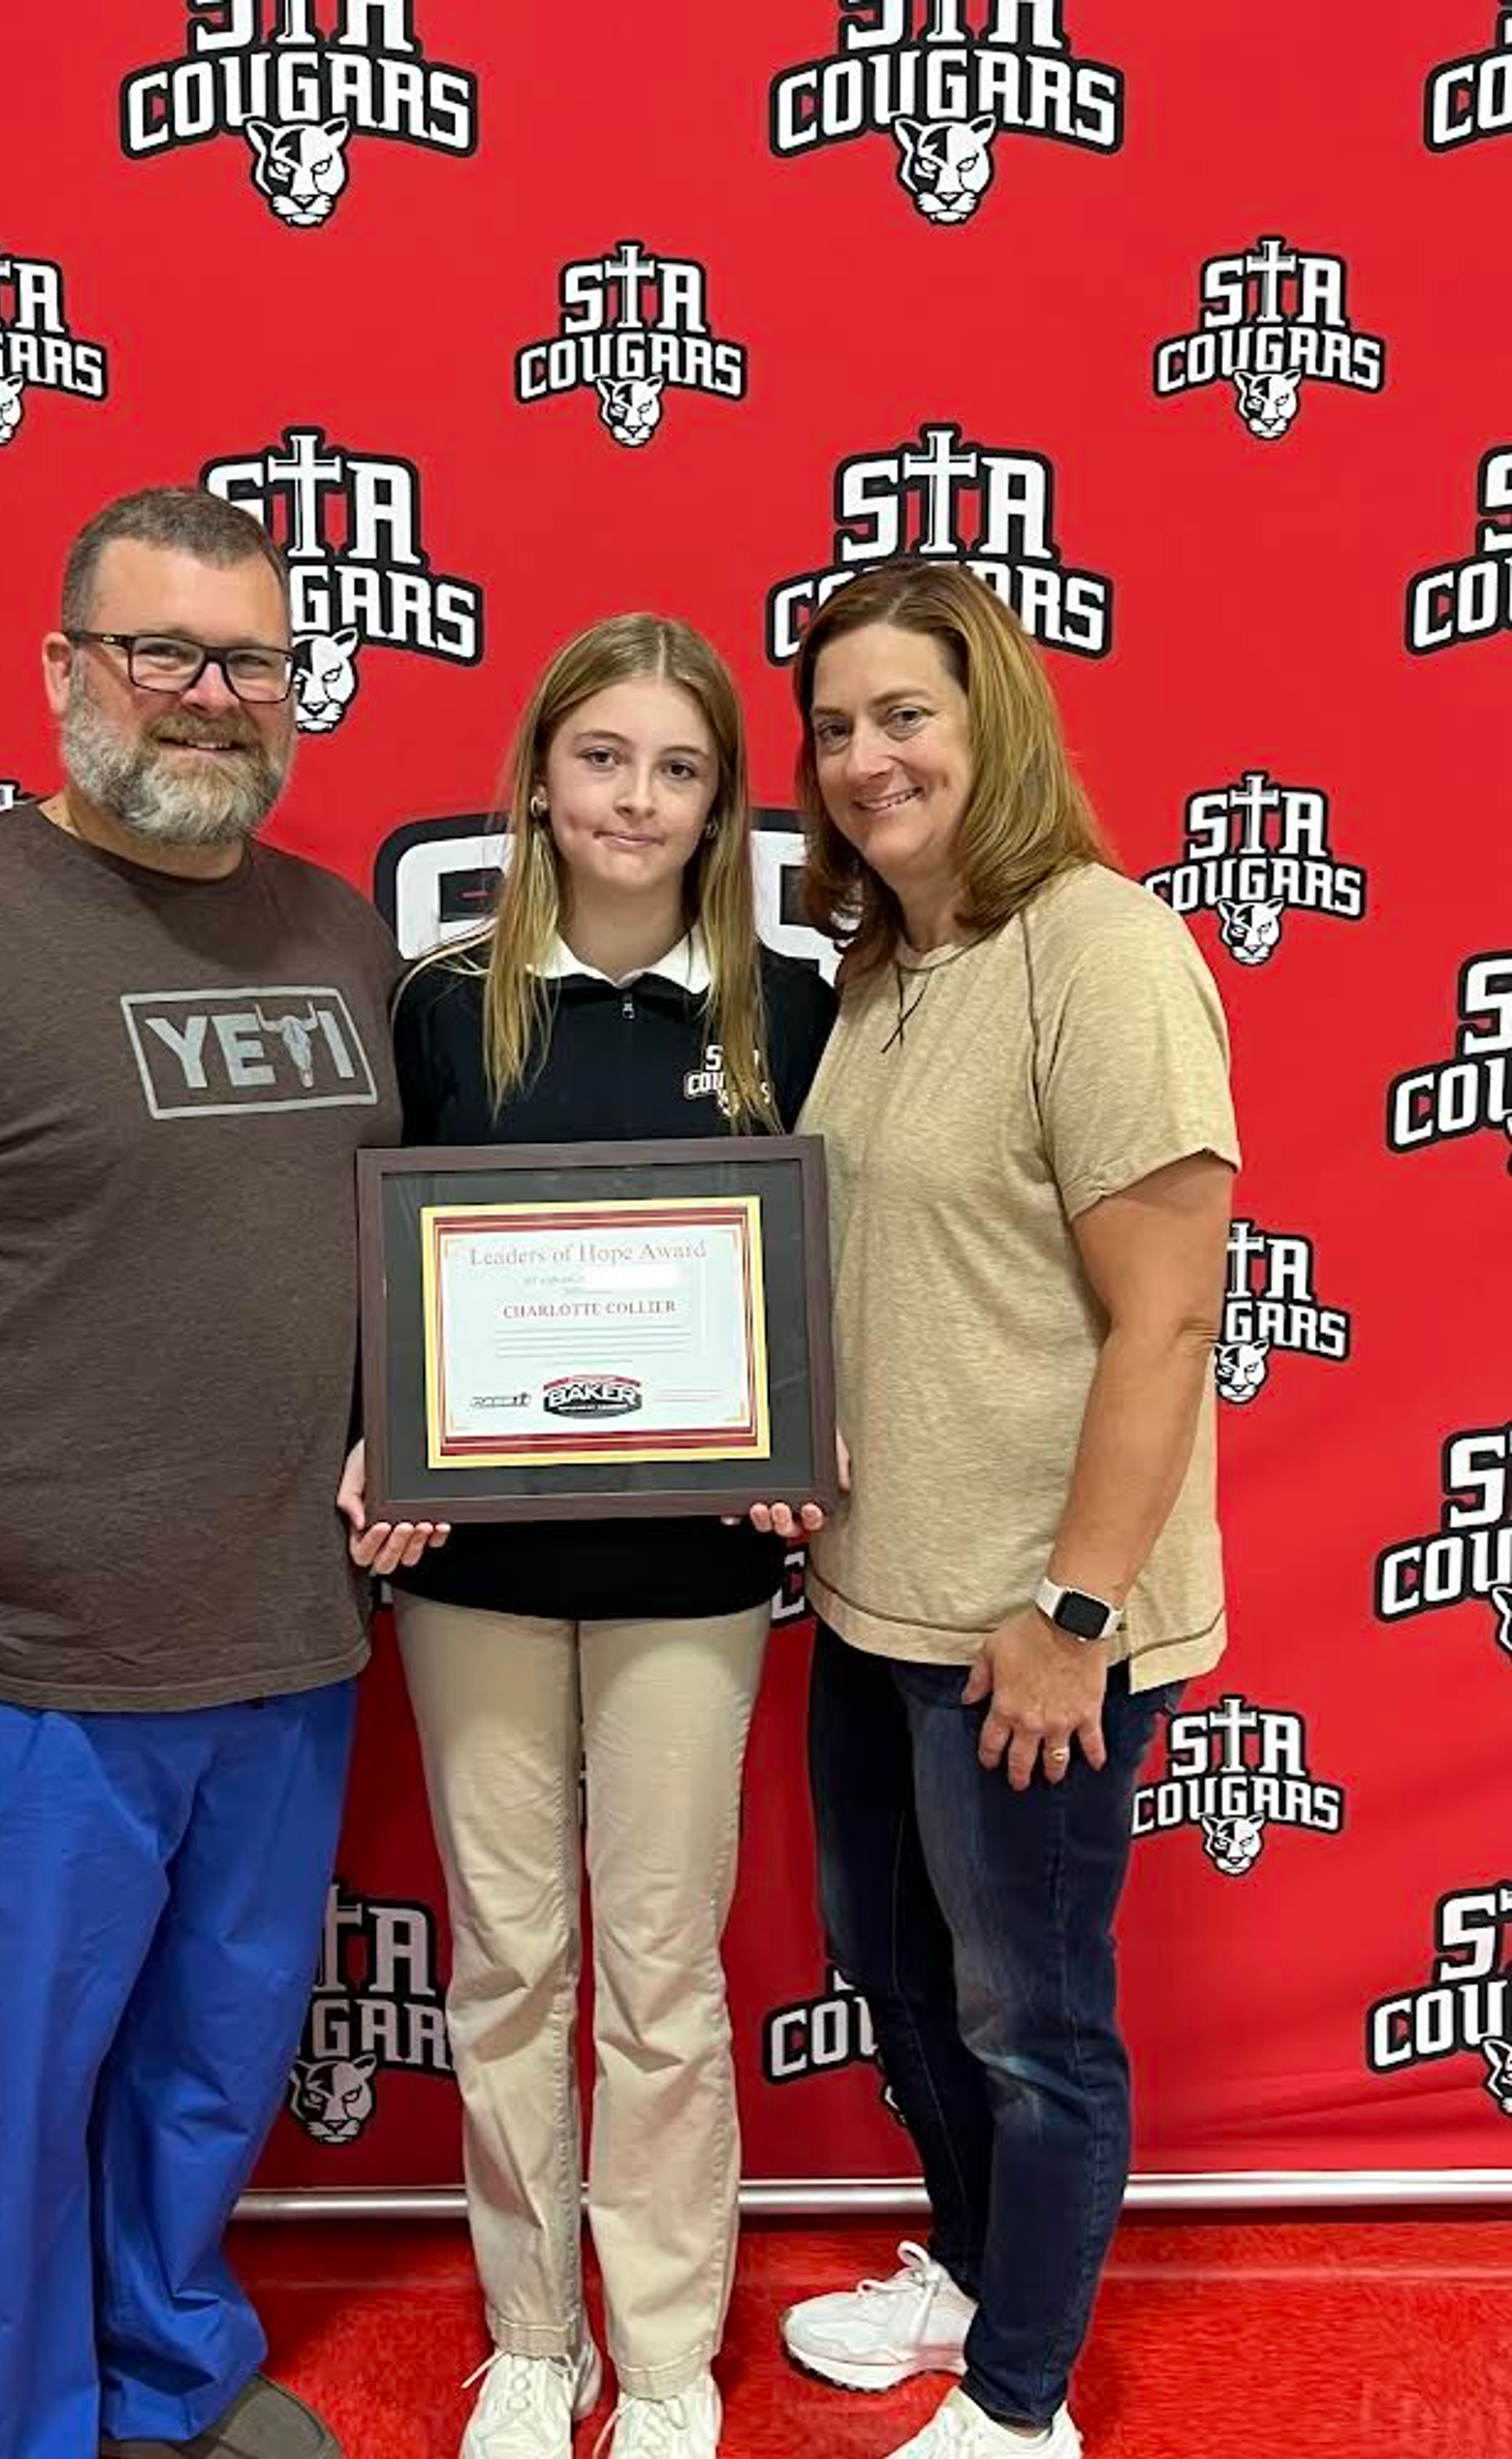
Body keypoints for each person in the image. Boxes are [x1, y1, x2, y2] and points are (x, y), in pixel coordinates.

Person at [0, 486, 435, 2459]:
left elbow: (360, 1254)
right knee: (0, 2104)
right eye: (164, 653)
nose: (211, 698)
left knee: (208, 2078)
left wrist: (408, 1432)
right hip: (16, 1672)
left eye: (253, 662)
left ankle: (162, 2381)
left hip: (282, 1650)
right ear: (64, 671)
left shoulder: (333, 932)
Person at [772, 562, 1238, 2459]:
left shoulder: (1101, 945)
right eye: (837, 726)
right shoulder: (888, 966)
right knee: (900, 1973)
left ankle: (1022, 2396)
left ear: (996, 726)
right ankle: (969, 2269)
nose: (869, 757)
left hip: (1030, 1625)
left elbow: (1171, 1311)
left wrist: (1074, 1607)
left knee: (1037, 2022)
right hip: (876, 1603)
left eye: (909, 713)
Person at [373, 614, 835, 2459]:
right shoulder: (443, 1002)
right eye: (603, 760)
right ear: (542, 781)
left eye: (679, 767)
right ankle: (534, 2338)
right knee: (506, 1966)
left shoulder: (785, 1008)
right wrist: (384, 1440)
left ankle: (659, 2360)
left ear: (723, 801)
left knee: (659, 1967)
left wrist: (813, 1431)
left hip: (697, 1577)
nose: (635, 800)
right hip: (471, 1574)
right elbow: (385, 1290)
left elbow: (824, 1279)